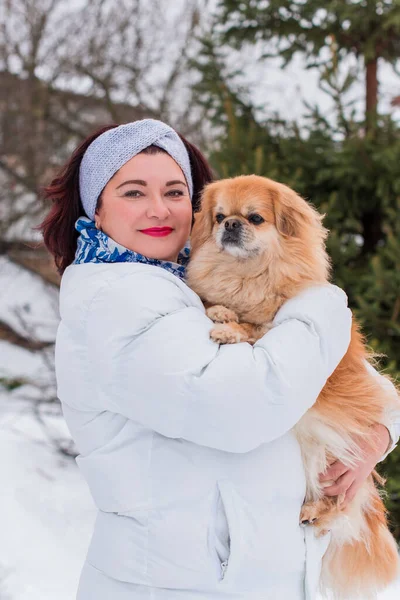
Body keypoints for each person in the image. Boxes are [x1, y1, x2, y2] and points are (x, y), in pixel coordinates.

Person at [39, 119, 400, 600]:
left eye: (173, 191)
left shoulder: (182, 285)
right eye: (132, 192)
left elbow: (366, 389)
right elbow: (242, 409)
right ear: (96, 209)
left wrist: (377, 436)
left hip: (255, 578)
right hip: (175, 587)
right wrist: (322, 304)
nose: (158, 209)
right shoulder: (114, 300)